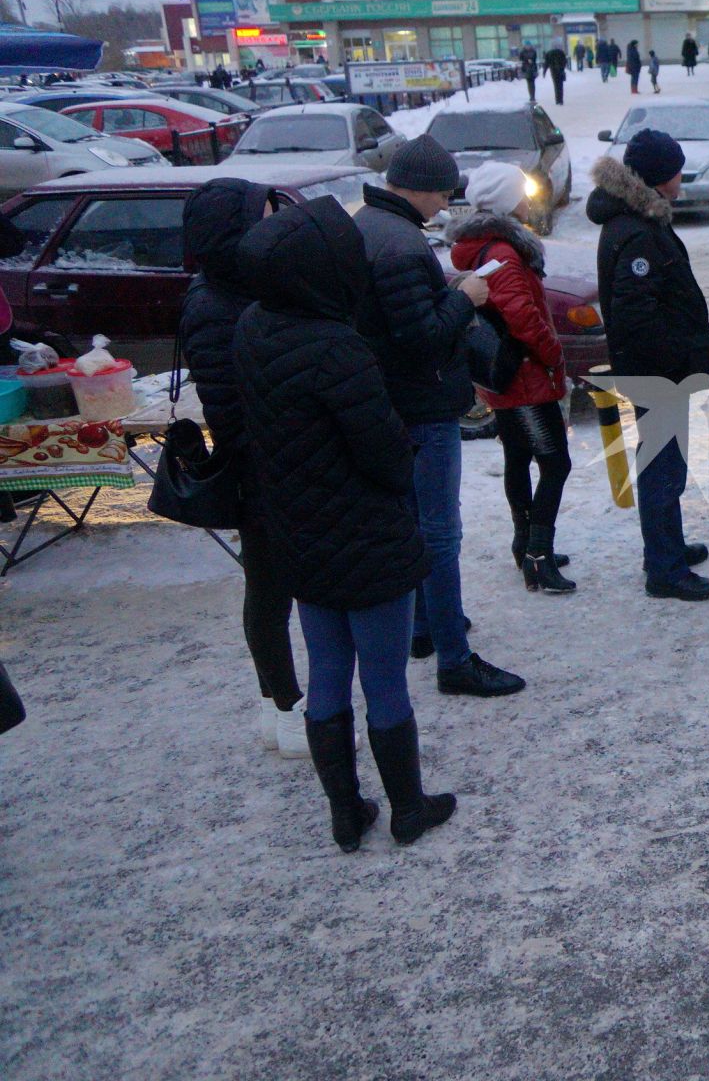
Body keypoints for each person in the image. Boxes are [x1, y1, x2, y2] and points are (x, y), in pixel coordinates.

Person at [232, 197, 454, 854]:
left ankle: (344, 812)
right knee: (384, 679)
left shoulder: (252, 327)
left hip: (300, 534)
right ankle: (408, 809)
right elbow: (385, 456)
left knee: (327, 669)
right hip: (367, 536)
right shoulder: (337, 348)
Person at [356, 135, 526, 698]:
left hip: (394, 404)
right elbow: (419, 338)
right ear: (422, 188)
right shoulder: (401, 245)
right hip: (422, 407)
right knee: (439, 534)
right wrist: (466, 297)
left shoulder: (373, 228)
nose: (446, 207)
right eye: (443, 195)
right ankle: (454, 657)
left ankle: (426, 629)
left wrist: (446, 290)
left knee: (414, 525)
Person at [178, 178, 307, 757]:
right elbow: (230, 408)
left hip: (274, 463)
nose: (271, 224)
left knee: (271, 588)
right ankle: (283, 706)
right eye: (261, 215)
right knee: (270, 592)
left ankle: (275, 706)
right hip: (260, 468)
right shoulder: (212, 304)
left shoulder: (239, 287)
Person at [590, 130, 709, 602]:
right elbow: (637, 315)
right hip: (658, 373)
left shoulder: (641, 219)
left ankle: (668, 547)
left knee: (667, 463)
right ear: (661, 177)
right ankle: (664, 568)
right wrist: (676, 364)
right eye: (677, 170)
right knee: (663, 467)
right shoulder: (637, 231)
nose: (682, 177)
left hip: (660, 370)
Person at [449, 161, 576, 596]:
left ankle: (524, 545)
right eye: (520, 190)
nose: (528, 196)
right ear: (506, 201)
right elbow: (522, 317)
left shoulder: (484, 247)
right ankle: (538, 556)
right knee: (556, 463)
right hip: (524, 377)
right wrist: (553, 353)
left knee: (518, 458)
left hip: (502, 375)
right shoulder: (503, 252)